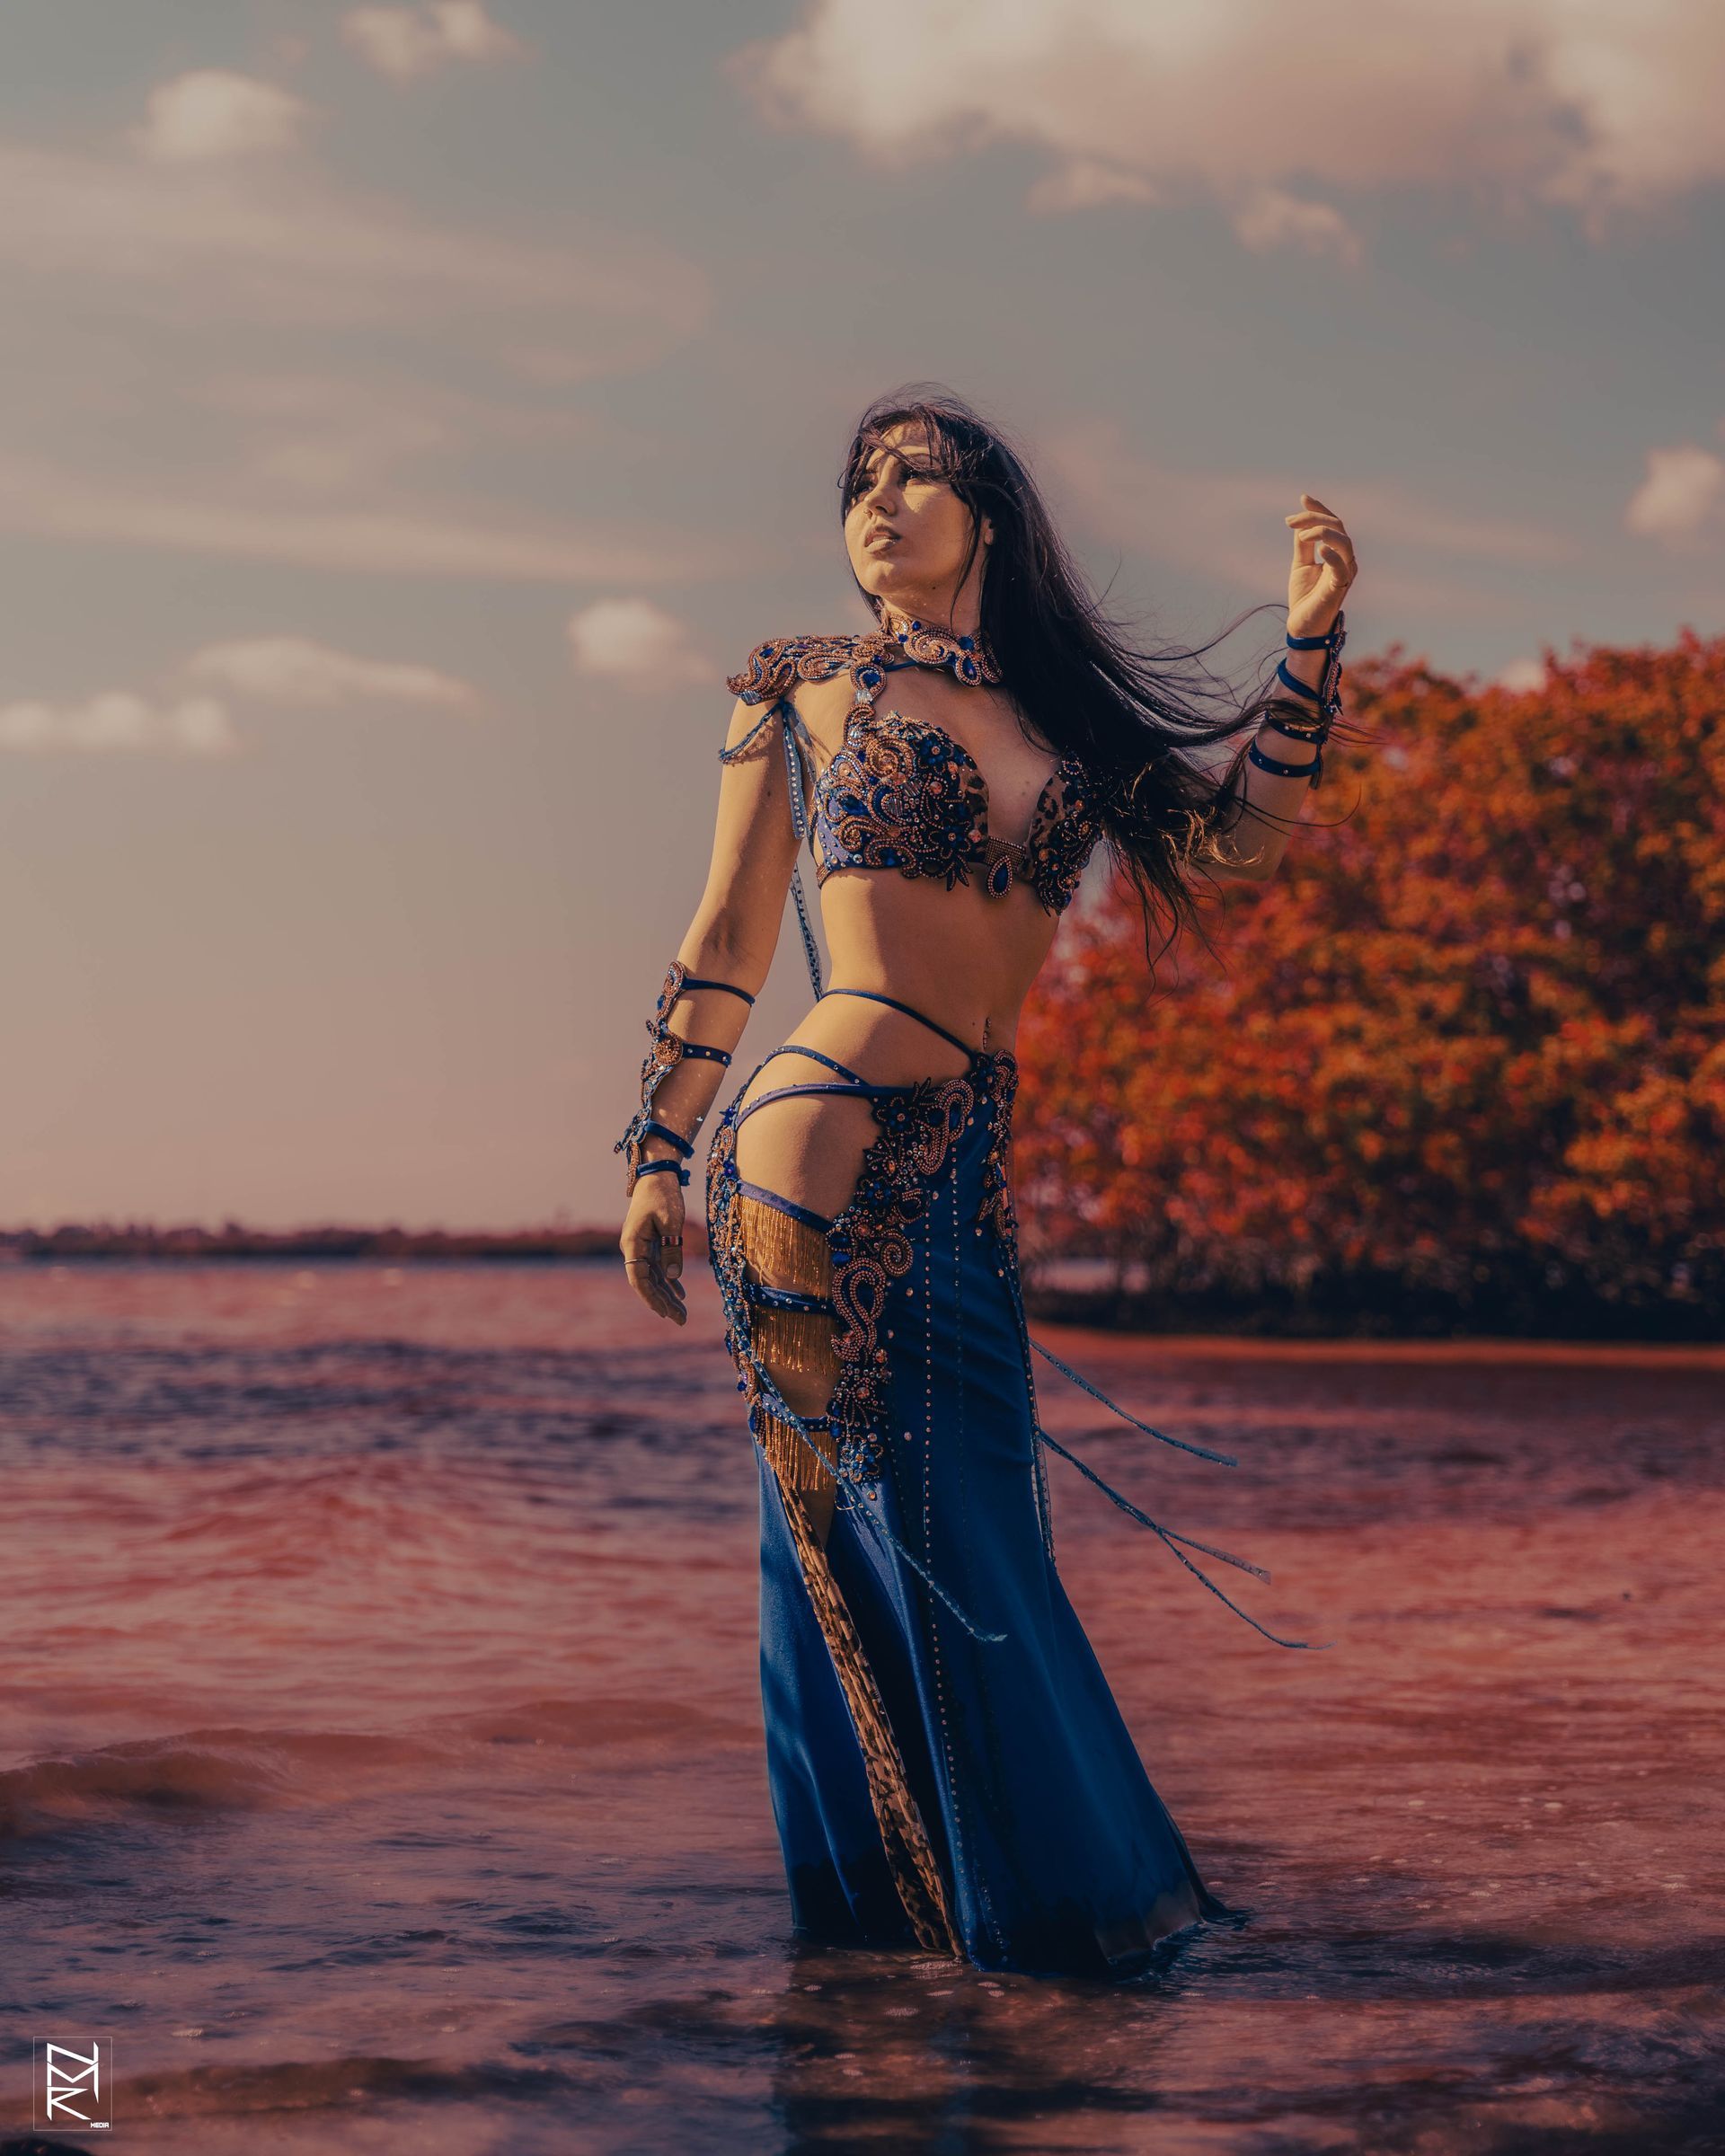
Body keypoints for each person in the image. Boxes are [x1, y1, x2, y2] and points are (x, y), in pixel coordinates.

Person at [614, 386, 1359, 1978]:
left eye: (919, 478)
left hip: (967, 1182)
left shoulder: (1072, 725)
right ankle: (1042, 1943)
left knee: (961, 1541)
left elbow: (1238, 849)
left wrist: (1308, 649)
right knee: (914, 1543)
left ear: (991, 520)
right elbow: (732, 937)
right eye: (860, 483)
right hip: (811, 1160)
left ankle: (918, 1945)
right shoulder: (803, 687)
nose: (879, 502)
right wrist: (659, 1155)